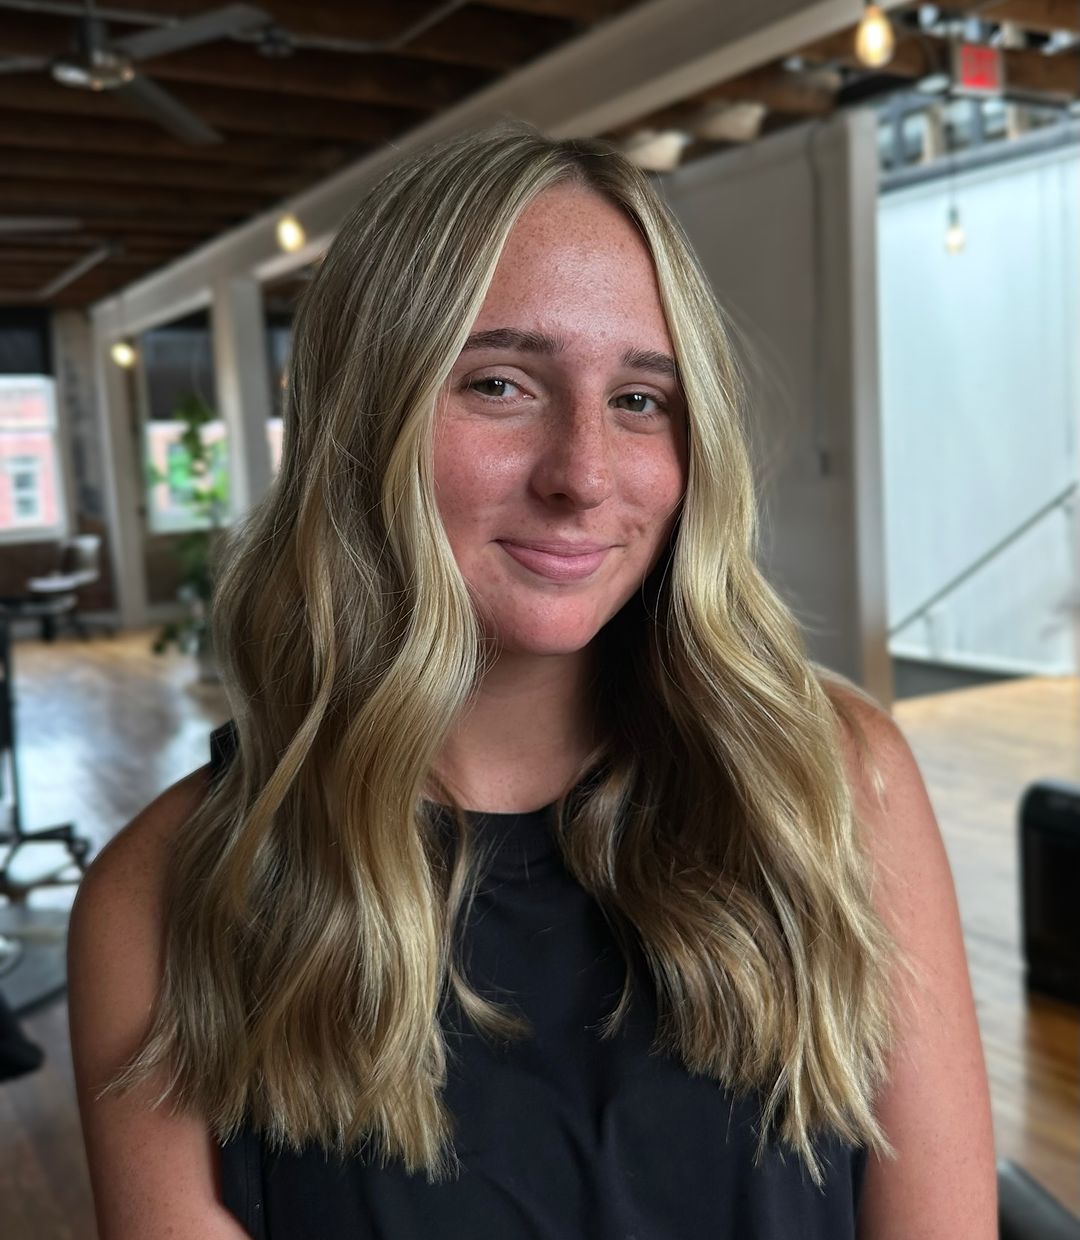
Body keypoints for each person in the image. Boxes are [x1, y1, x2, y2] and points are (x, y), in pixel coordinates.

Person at [67, 121, 996, 1238]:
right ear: (364, 416)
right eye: (502, 384)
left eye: (640, 399)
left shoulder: (835, 783)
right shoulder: (165, 898)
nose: (584, 475)